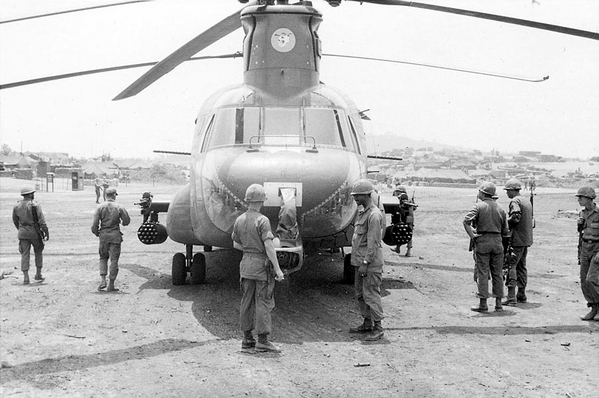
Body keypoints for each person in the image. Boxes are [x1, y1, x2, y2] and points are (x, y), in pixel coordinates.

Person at [232, 184, 285, 352]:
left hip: (246, 264)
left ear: (247, 201)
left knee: (246, 301)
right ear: (262, 201)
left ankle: (247, 339)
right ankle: (263, 340)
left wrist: (250, 251)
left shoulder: (239, 220)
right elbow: (269, 247)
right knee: (263, 301)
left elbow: (235, 243)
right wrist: (277, 269)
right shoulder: (263, 220)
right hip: (261, 267)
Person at [463, 182, 509, 312]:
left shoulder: (478, 206)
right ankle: (498, 304)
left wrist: (472, 235)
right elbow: (505, 231)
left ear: (482, 193)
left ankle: (483, 304)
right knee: (498, 273)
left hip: (483, 241)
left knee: (482, 273)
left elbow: (466, 221)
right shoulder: (500, 208)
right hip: (498, 242)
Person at [349, 179, 385, 341]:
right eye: (354, 195)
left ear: (367, 195)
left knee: (371, 294)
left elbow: (373, 244)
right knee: (360, 294)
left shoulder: (374, 216)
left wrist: (365, 263)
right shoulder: (363, 212)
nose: (355, 198)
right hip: (360, 263)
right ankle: (367, 323)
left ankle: (378, 328)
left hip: (369, 264)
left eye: (358, 196)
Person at [91, 188, 130, 292]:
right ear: (114, 195)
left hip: (103, 236)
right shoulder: (119, 207)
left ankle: (103, 280)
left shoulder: (99, 207)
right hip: (115, 236)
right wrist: (122, 223)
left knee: (103, 258)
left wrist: (97, 233)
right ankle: (111, 284)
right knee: (114, 260)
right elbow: (126, 221)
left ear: (106, 195)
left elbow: (94, 224)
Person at [502, 179, 534, 305]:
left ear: (512, 190)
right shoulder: (526, 200)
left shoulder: (515, 201)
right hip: (525, 239)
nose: (507, 193)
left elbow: (515, 217)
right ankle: (521, 294)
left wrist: (504, 222)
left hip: (516, 239)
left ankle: (511, 297)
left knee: (511, 266)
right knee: (521, 266)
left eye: (507, 191)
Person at [12, 186, 50, 284]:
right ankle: (38, 274)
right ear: (29, 194)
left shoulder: (17, 206)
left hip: (23, 232)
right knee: (38, 251)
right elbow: (42, 221)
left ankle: (26, 277)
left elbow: (15, 220)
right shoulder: (35, 205)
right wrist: (46, 231)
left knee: (24, 254)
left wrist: (21, 229)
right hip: (34, 232)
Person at [575, 186, 599, 321]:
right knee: (584, 281)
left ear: (589, 198)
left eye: (581, 197)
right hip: (585, 248)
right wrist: (579, 225)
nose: (579, 200)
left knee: (592, 279)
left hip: (597, 248)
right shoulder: (582, 213)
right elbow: (581, 233)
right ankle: (593, 308)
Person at [390, 185, 417, 257]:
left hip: (401, 218)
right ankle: (407, 250)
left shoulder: (397, 199)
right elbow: (414, 208)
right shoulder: (408, 200)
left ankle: (399, 248)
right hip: (408, 218)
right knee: (408, 233)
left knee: (399, 232)